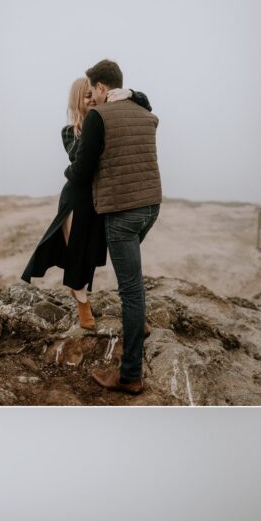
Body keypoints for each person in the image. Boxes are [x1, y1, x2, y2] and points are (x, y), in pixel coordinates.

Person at [58, 61, 161, 397]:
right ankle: (138, 321)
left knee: (130, 290)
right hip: (151, 207)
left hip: (123, 213)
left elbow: (84, 167)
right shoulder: (144, 111)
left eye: (94, 91)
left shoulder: (100, 118)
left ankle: (129, 376)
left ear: (101, 89)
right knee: (131, 280)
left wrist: (69, 176)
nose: (92, 98)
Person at [22, 77, 106, 328]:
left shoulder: (106, 124)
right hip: (76, 198)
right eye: (85, 96)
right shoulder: (70, 132)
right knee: (76, 249)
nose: (91, 99)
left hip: (99, 198)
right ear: (76, 101)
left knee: (92, 251)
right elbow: (80, 161)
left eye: (93, 94)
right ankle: (82, 303)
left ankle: (81, 292)